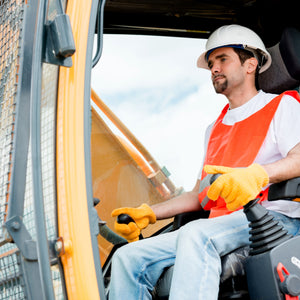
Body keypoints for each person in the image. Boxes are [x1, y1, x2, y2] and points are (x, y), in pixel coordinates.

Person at [109, 24, 300, 300]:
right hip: (223, 226)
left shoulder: (283, 106)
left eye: (222, 59)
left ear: (251, 64)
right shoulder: (214, 129)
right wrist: (150, 212)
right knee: (127, 258)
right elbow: (202, 194)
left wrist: (257, 175)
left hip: (272, 220)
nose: (214, 69)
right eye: (211, 63)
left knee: (196, 235)